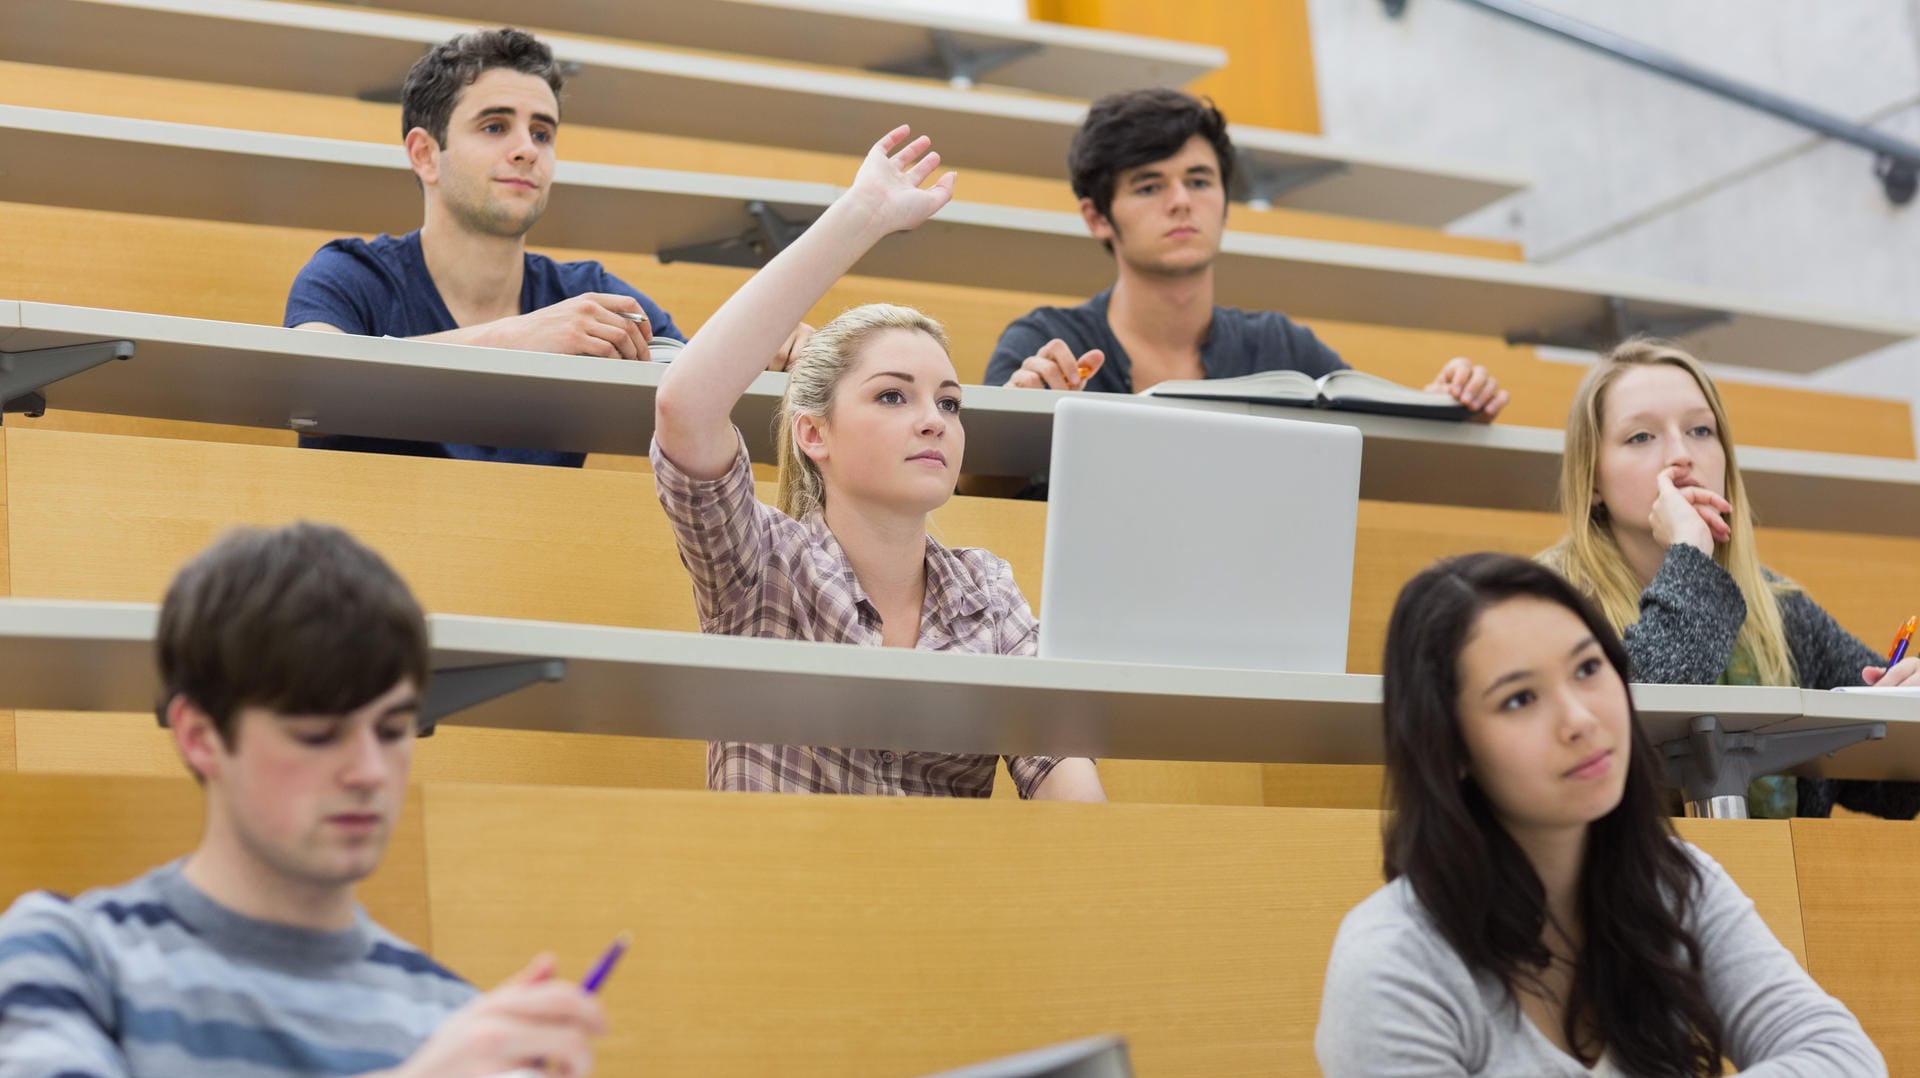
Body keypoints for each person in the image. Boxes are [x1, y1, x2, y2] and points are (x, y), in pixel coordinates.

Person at [0, 523, 606, 1076]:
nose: (370, 771)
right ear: (200, 735)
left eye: (393, 730)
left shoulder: (452, 1021)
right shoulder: (70, 956)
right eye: (318, 734)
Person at [651, 125, 1104, 800]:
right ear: (813, 434)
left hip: (940, 902)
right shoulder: (761, 565)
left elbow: (1069, 791)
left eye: (949, 404)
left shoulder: (988, 592)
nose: (932, 419)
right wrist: (861, 216)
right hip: (774, 899)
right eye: (893, 395)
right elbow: (685, 407)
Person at [1316, 552, 1884, 1077]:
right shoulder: (1393, 962)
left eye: (1588, 669)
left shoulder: (1673, 883)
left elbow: (1840, 1055)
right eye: (1519, 699)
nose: (1580, 719)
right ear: (1451, 747)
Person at [284, 27, 803, 466]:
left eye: (542, 133)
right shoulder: (349, 274)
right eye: (494, 126)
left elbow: (696, 389)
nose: (526, 151)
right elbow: (313, 385)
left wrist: (778, 356)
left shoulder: (586, 293)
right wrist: (513, 339)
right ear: (424, 154)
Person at [1539, 338, 1920, 820]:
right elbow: (1625, 735)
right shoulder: (1545, 603)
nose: (1681, 455)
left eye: (1700, 430)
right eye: (1641, 437)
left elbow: (1888, 783)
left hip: (1780, 884)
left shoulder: (1779, 606)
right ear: (1592, 478)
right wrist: (1689, 555)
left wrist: (1907, 696)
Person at [982, 88, 1507, 421]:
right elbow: (981, 488)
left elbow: (1379, 439)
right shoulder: (1046, 343)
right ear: (1097, 217)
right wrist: (1021, 409)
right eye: (1148, 187)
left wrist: (1448, 403)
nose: (1182, 201)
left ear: (1226, 202)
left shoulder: (1280, 346)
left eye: (1200, 180)